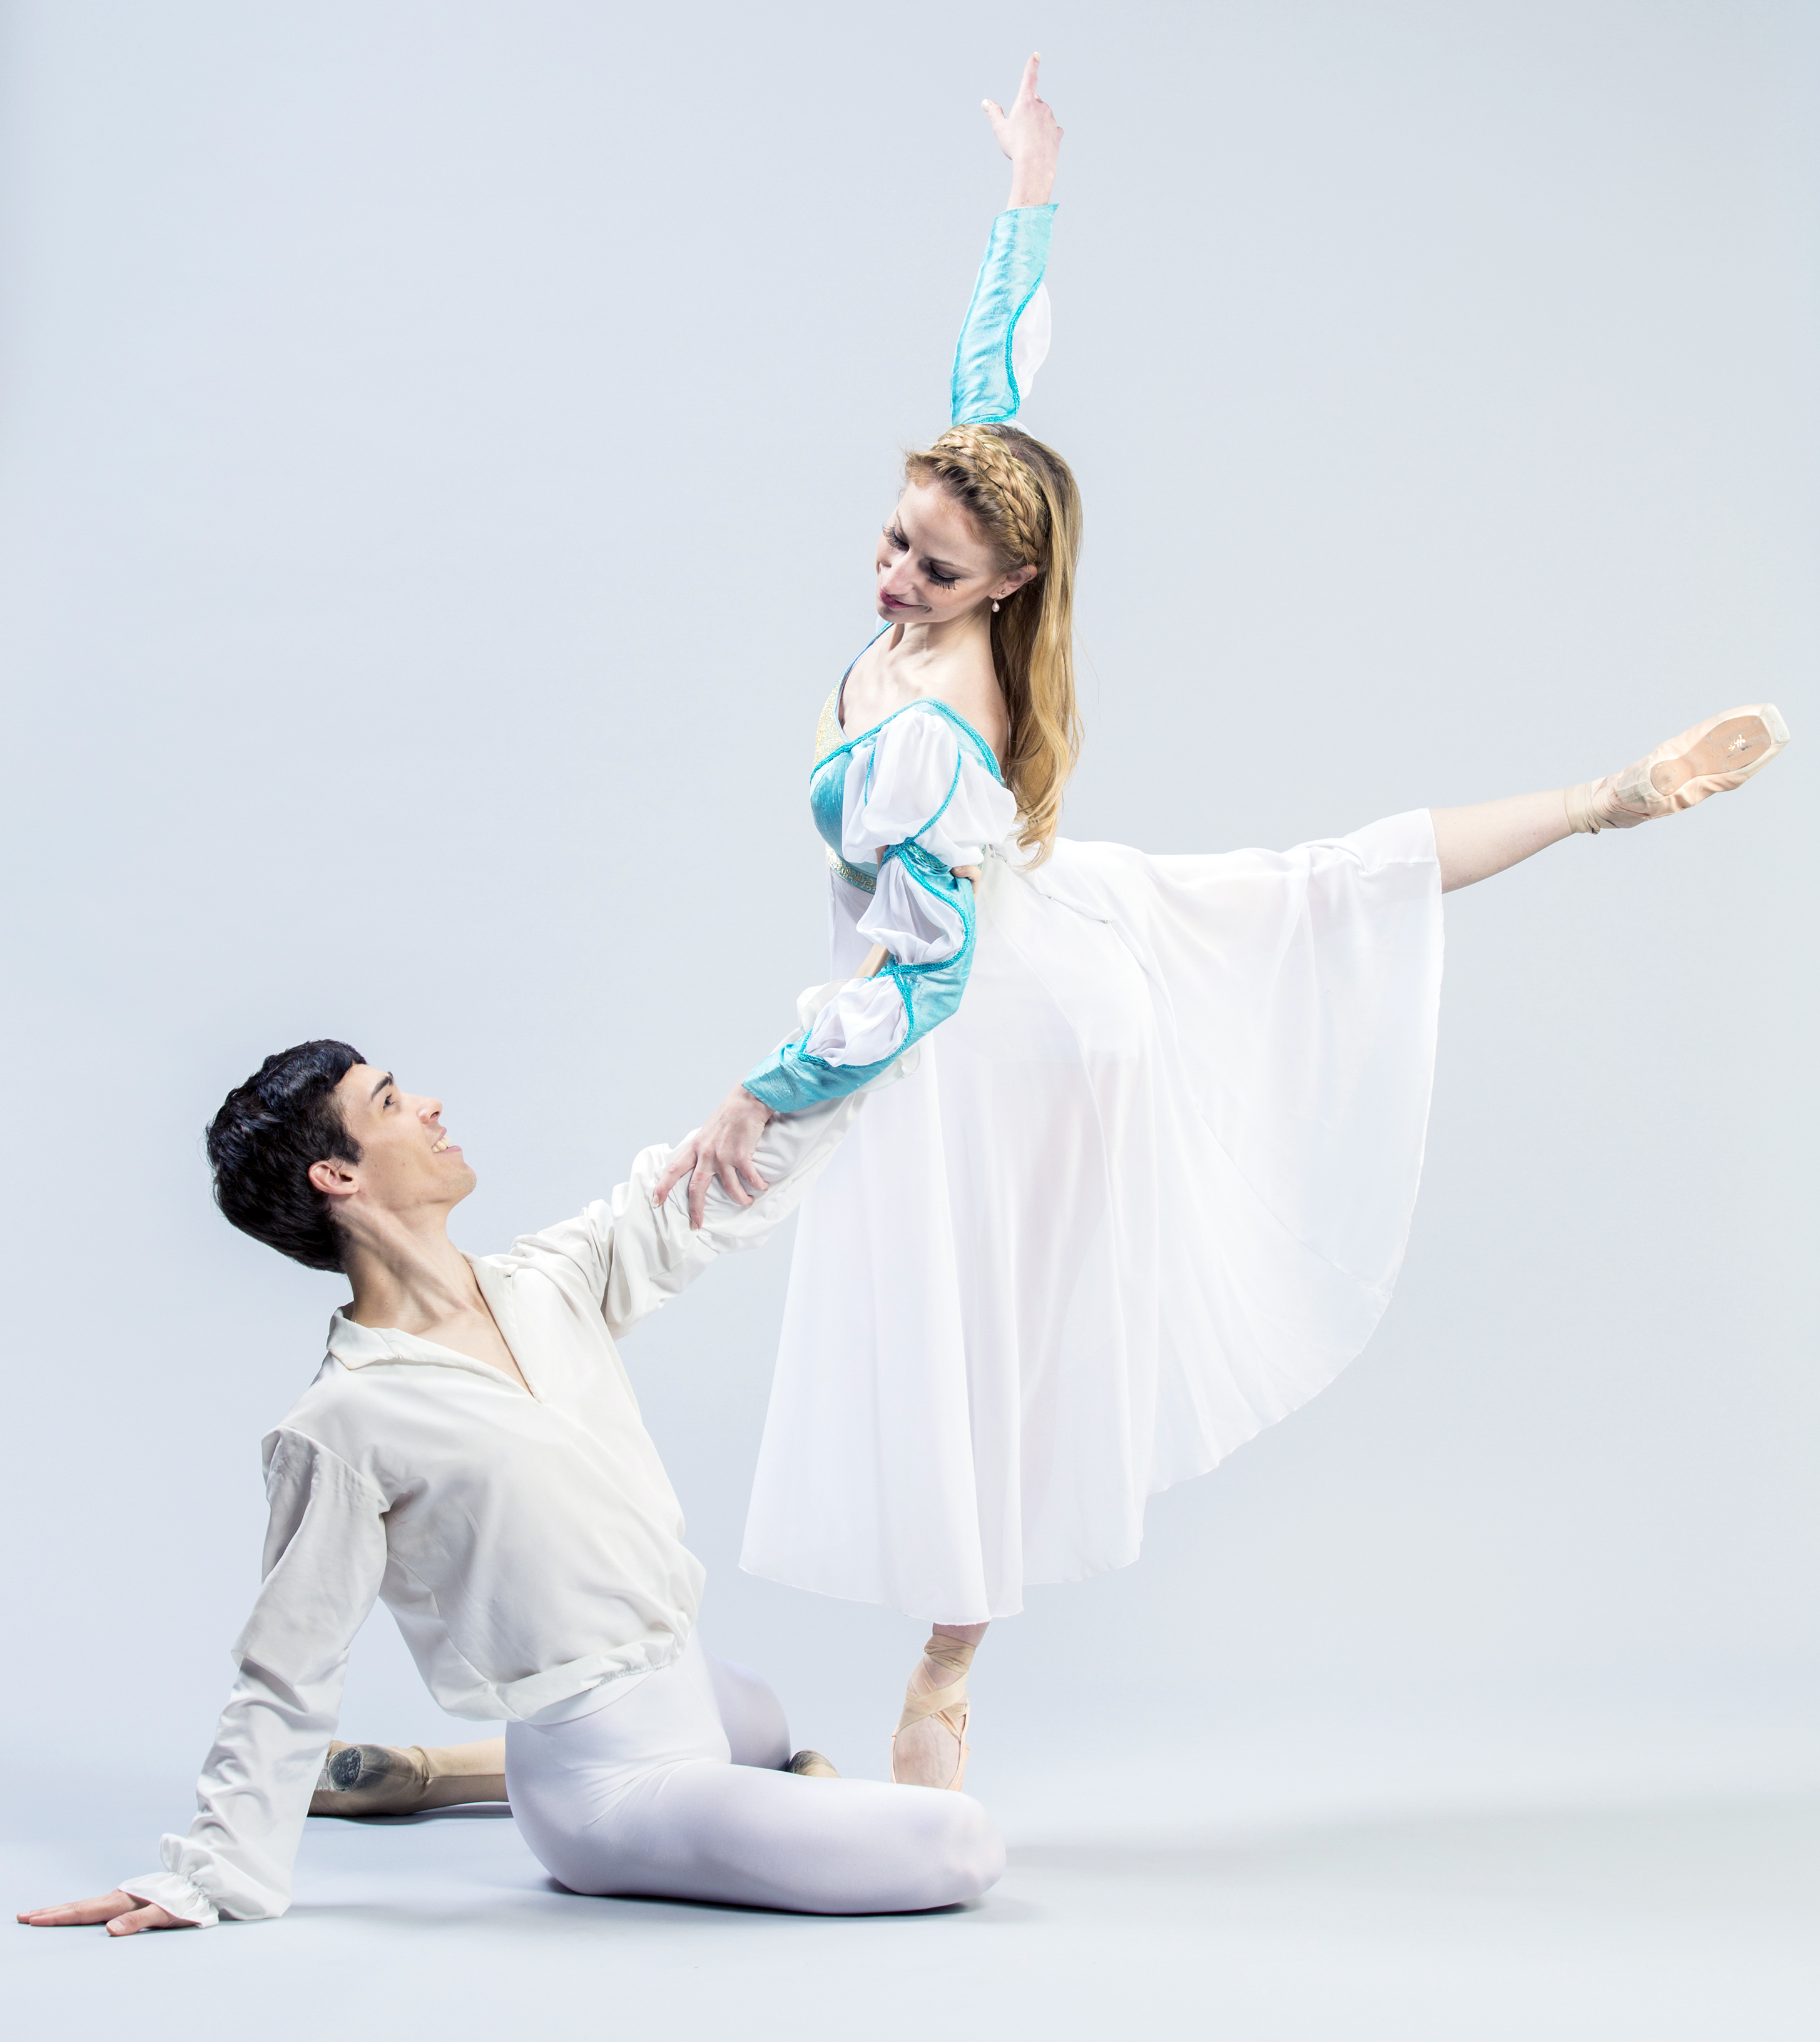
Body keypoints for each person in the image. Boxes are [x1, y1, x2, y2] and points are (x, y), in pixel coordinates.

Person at [650, 56, 1792, 1792]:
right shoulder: (970, 559)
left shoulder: (923, 744)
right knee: (1305, 888)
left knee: (983, 1329)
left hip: (1010, 1019)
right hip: (1054, 937)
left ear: (1004, 590)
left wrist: (764, 1094)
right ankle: (1604, 797)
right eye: (891, 542)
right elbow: (989, 391)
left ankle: (943, 1685)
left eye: (929, 572)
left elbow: (927, 971)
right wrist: (1028, 193)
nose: (890, 577)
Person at [17, 1041, 1002, 1935]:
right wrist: (210, 1874)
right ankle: (535, 1797)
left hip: (686, 1678)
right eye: (393, 1101)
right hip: (610, 1781)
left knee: (772, 1728)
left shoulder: (549, 1282)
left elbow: (719, 1177)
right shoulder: (342, 1422)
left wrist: (860, 1035)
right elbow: (288, 1664)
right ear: (338, 1174)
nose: (433, 1104)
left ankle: (441, 1778)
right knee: (958, 1847)